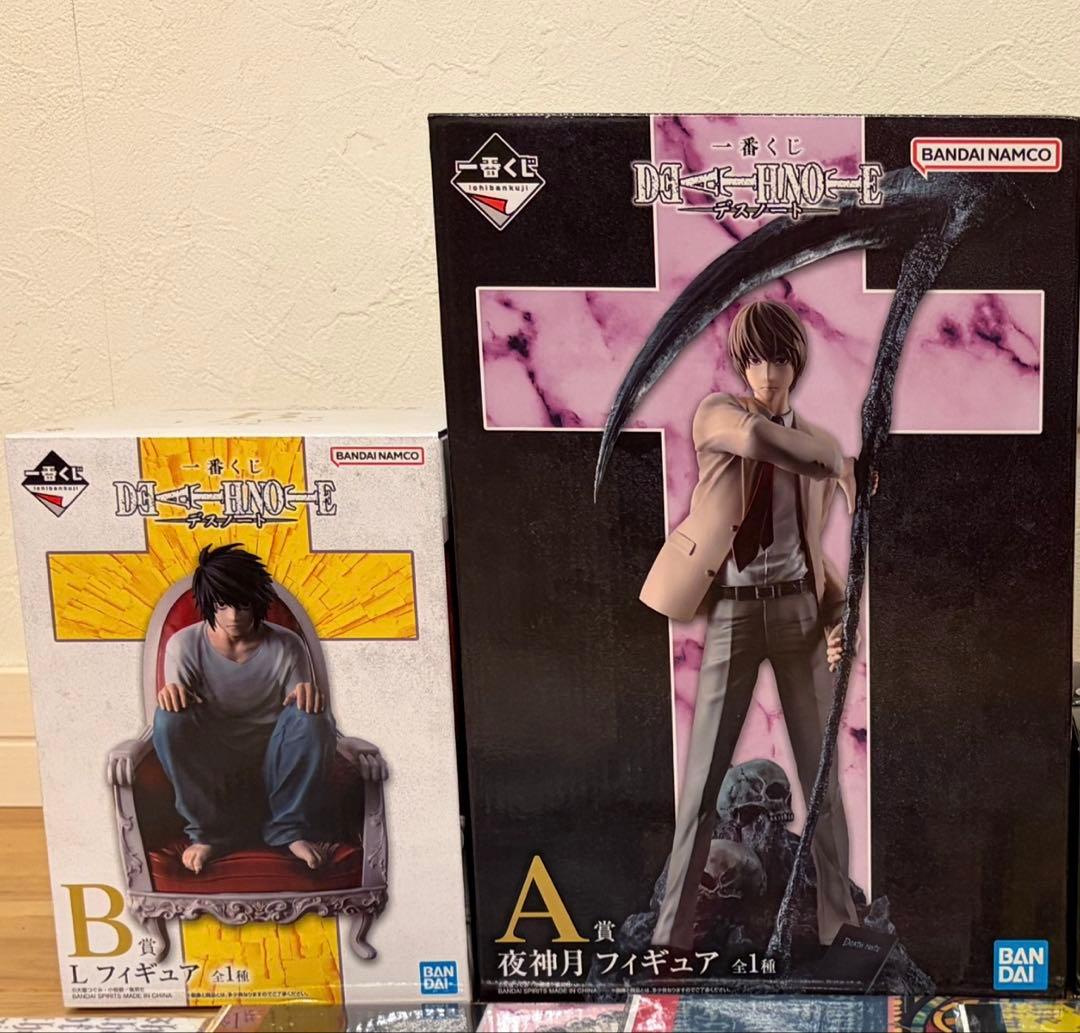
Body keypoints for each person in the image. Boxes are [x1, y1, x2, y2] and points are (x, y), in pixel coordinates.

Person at [645, 299, 860, 950]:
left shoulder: (813, 445)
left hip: (798, 611)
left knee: (823, 783)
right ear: (741, 366)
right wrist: (839, 461)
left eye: (779, 359)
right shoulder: (720, 414)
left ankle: (841, 929)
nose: (767, 373)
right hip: (733, 610)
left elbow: (812, 548)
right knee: (701, 786)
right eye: (755, 360)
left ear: (797, 363)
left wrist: (838, 613)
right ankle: (670, 938)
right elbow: (761, 441)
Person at [152, 543, 337, 874]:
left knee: (312, 716)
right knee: (169, 718)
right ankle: (208, 834)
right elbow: (178, 716)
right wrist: (173, 694)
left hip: (274, 763)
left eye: (242, 605)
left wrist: (307, 696)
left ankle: (288, 830)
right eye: (222, 606)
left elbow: (300, 718)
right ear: (208, 603)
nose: (233, 617)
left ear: (257, 602)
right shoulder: (184, 644)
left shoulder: (287, 644)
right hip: (214, 766)